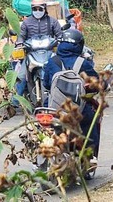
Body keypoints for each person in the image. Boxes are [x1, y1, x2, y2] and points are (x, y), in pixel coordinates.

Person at [43, 29, 101, 162]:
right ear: (79, 45)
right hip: (77, 108)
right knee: (90, 120)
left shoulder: (52, 62)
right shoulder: (83, 63)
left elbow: (46, 84)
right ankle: (90, 156)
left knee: (42, 125)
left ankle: (38, 157)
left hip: (54, 107)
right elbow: (96, 84)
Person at [14, 0, 62, 104]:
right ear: (31, 9)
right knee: (21, 76)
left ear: (45, 8)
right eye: (34, 8)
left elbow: (59, 34)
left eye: (40, 8)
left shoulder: (52, 21)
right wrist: (19, 42)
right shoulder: (26, 22)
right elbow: (21, 35)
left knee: (60, 72)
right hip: (31, 53)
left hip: (49, 53)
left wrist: (60, 39)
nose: (37, 11)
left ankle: (62, 96)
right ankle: (15, 101)